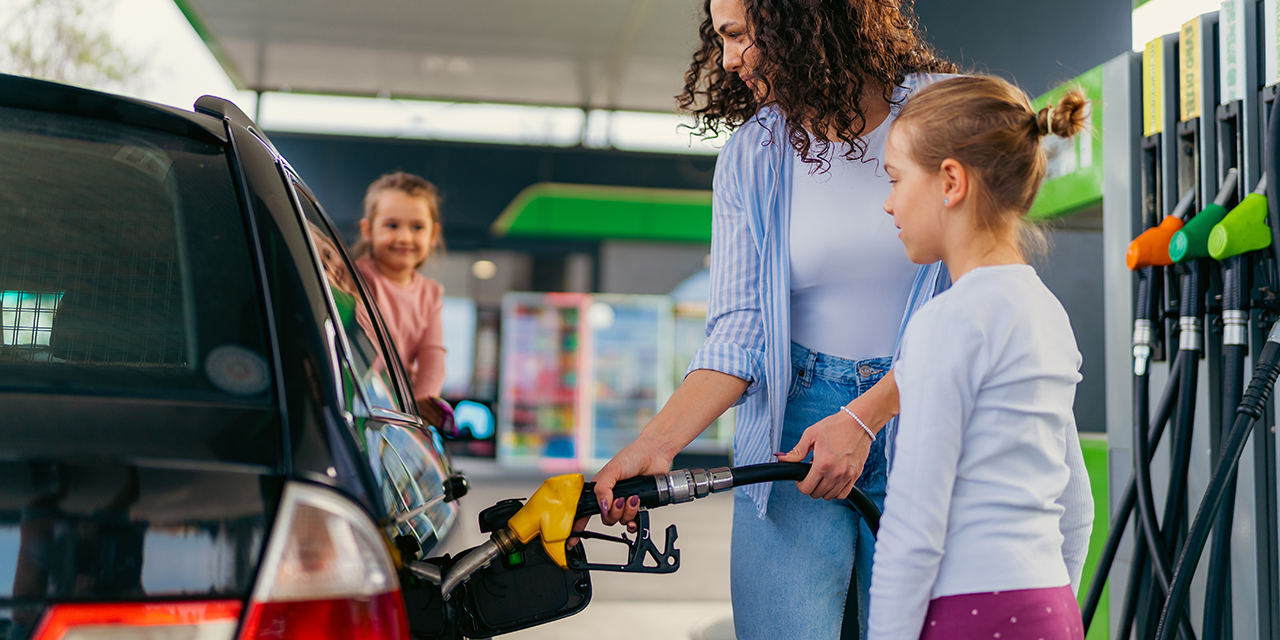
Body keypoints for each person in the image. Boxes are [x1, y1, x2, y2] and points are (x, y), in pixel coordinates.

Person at [587, 0, 955, 637]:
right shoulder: (753, 153)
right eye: (719, 38)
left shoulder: (945, 112)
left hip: (926, 417)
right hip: (794, 421)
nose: (726, 61)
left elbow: (980, 303)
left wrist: (866, 415)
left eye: (737, 36)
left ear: (802, 19)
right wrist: (655, 445)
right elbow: (739, 331)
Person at [868, 76, 1094, 640]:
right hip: (1052, 608)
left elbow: (915, 527)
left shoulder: (946, 323)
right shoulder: (1047, 312)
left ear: (950, 181)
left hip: (971, 614)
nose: (889, 202)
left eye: (896, 180)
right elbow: (1077, 505)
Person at [354, 171, 448, 419]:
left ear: (433, 235)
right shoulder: (355, 278)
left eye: (417, 227)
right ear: (368, 230)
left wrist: (423, 404)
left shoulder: (430, 293)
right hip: (362, 399)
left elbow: (433, 357)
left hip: (399, 409)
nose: (404, 237)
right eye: (392, 225)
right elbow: (362, 347)